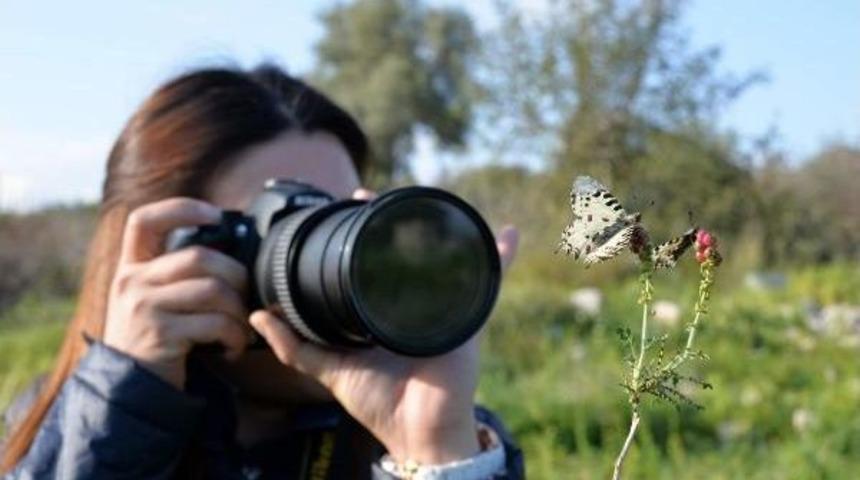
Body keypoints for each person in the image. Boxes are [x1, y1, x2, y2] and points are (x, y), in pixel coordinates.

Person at [0, 63, 524, 479]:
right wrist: (123, 405)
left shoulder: (452, 439)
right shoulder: (63, 432)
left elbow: (436, 444)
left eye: (336, 216)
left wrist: (432, 451)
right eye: (283, 226)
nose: (338, 263)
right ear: (156, 263)